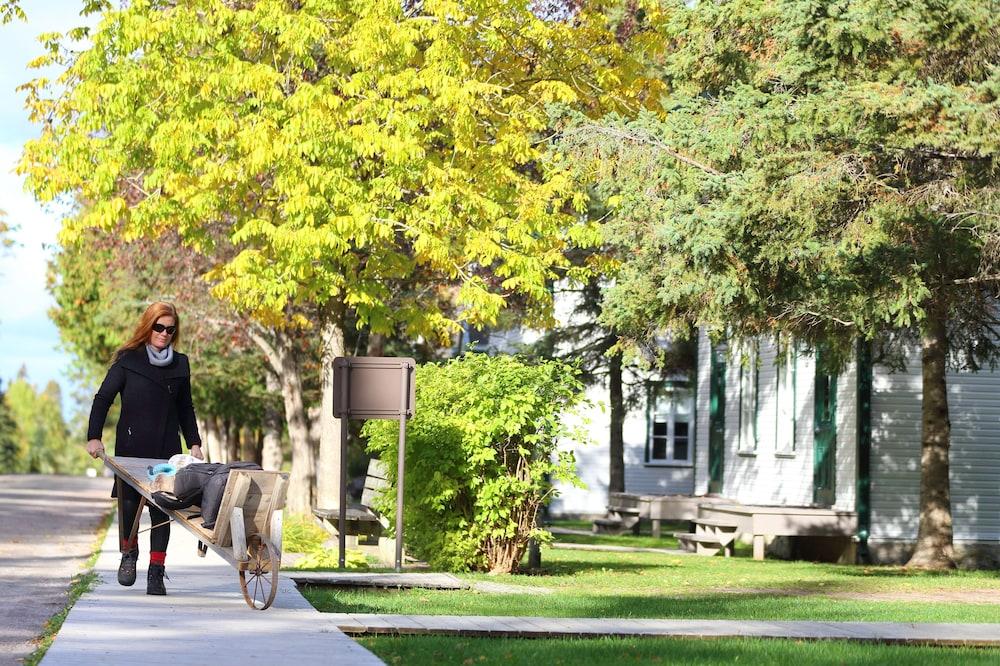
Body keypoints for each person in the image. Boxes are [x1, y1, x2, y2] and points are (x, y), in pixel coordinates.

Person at [85, 301, 203, 596]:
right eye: (159, 327)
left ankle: (156, 571)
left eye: (170, 329)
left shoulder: (180, 364)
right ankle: (129, 554)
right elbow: (103, 399)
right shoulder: (128, 360)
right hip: (130, 447)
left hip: (165, 450)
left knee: (162, 509)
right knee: (127, 507)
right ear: (148, 326)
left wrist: (194, 442)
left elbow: (186, 408)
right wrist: (94, 436)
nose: (164, 333)